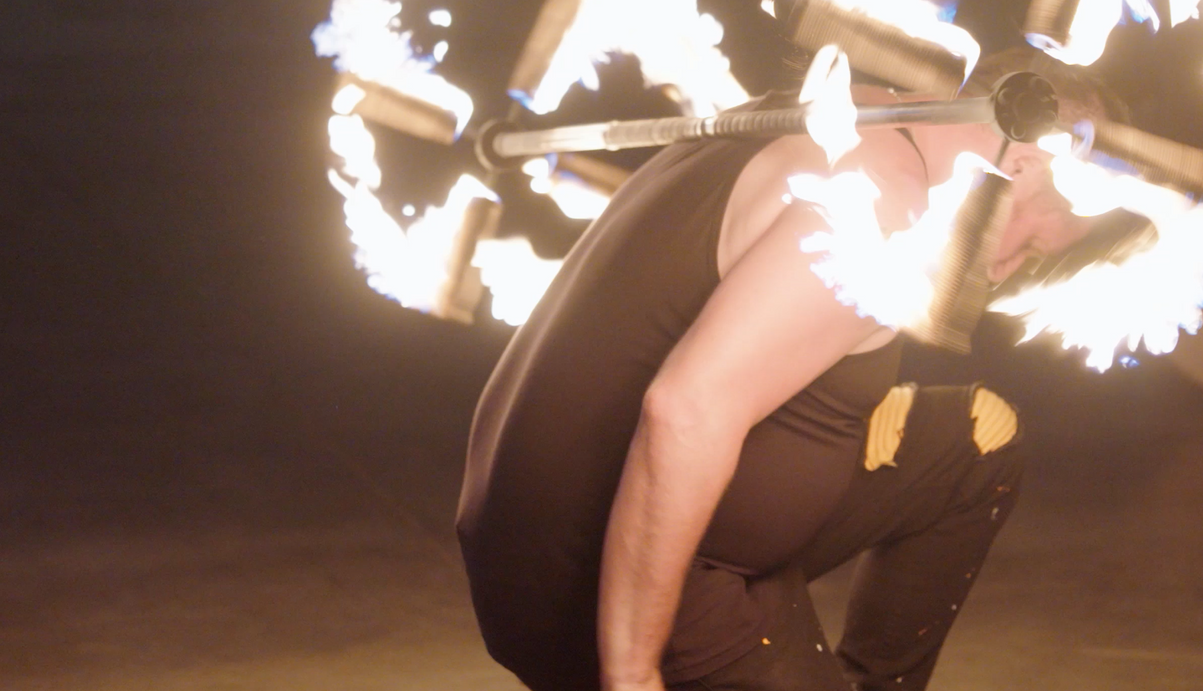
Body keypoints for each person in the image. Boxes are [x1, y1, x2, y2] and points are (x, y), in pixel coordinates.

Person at [456, 50, 1117, 691]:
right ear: (1023, 160)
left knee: (976, 445)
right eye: (1030, 246)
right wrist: (631, 673)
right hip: (595, 585)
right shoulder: (877, 208)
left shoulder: (840, 109)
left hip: (542, 536)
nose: (1004, 273)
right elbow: (684, 410)